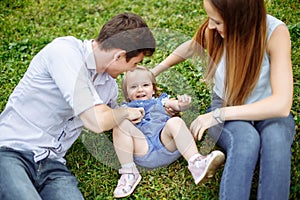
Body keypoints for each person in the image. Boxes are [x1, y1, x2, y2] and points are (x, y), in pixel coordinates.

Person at [0, 13, 156, 200]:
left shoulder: (109, 87)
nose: (131, 71)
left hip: (52, 165)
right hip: (11, 151)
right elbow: (97, 120)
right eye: (134, 64)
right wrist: (124, 112)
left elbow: (117, 121)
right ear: (120, 55)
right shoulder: (64, 53)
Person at [151, 0, 295, 199]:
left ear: (240, 17)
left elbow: (281, 105)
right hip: (228, 102)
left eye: (217, 21)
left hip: (266, 109)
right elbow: (192, 47)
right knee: (246, 141)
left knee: (276, 141)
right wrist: (155, 71)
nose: (210, 26)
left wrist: (217, 115)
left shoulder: (275, 32)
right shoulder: (214, 31)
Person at [112, 66, 225, 198]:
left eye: (145, 85)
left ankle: (196, 162)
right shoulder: (126, 108)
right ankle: (129, 172)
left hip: (166, 143)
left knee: (175, 122)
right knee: (119, 124)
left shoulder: (161, 101)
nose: (140, 89)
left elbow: (177, 105)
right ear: (126, 93)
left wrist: (183, 104)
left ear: (153, 89)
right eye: (133, 86)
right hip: (143, 150)